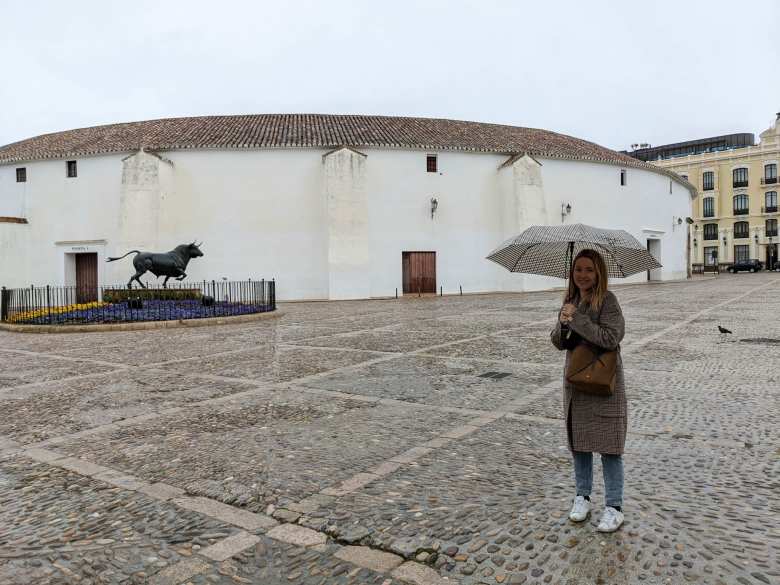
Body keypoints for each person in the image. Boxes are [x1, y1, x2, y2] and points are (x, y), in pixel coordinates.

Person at [550, 249, 627, 532]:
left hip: (604, 382)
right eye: (578, 269)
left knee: (609, 446)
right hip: (576, 382)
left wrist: (579, 320)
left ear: (599, 273)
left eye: (589, 270)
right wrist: (563, 321)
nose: (582, 275)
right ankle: (582, 497)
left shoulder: (608, 301)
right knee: (579, 444)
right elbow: (559, 343)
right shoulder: (570, 300)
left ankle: (614, 506)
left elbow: (611, 337)